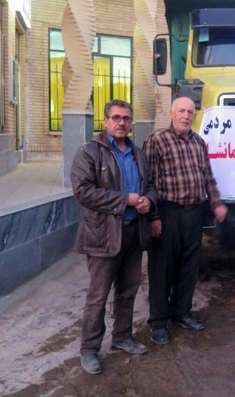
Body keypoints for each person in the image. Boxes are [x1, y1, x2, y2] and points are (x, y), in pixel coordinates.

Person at [70, 100, 158, 375]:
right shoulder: (89, 153)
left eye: (127, 118)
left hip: (134, 233)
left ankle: (122, 337)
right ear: (106, 121)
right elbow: (83, 191)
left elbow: (152, 185)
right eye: (117, 118)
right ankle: (89, 349)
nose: (122, 122)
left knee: (128, 290)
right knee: (98, 295)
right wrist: (126, 199)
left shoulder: (137, 153)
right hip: (103, 236)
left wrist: (147, 201)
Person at [143, 96, 228, 345]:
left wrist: (216, 203)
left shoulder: (199, 143)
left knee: (189, 268)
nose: (186, 116)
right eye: (181, 111)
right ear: (171, 113)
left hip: (194, 213)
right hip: (167, 214)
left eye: (190, 112)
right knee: (162, 270)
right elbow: (148, 181)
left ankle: (181, 312)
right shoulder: (157, 140)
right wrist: (154, 217)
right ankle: (158, 322)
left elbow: (208, 178)